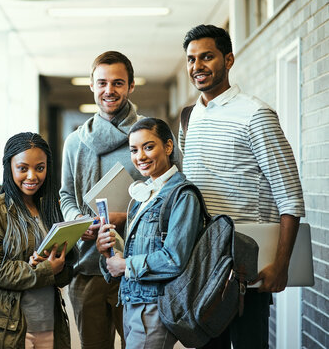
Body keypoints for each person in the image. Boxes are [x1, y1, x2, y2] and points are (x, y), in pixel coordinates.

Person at [180, 24, 305, 349]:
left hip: (247, 265)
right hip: (203, 265)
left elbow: (290, 196)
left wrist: (281, 265)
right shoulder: (189, 118)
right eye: (191, 59)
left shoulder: (256, 114)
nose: (198, 66)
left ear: (229, 59)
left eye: (207, 56)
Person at [59, 50, 146, 348]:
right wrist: (76, 221)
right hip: (87, 267)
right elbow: (66, 195)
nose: (109, 90)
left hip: (136, 265)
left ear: (131, 86)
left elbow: (166, 196)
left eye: (118, 83)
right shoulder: (74, 142)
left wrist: (128, 218)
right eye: (102, 83)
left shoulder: (148, 136)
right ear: (92, 86)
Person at [95, 117, 204, 349]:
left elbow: (173, 259)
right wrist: (108, 250)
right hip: (133, 300)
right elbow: (137, 251)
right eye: (134, 150)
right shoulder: (143, 194)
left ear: (168, 146)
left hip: (155, 305)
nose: (140, 157)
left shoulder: (182, 195)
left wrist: (124, 266)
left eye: (148, 147)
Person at [0, 132, 75, 349]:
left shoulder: (51, 209)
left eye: (40, 168)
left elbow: (65, 271)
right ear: (9, 167)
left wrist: (60, 266)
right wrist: (43, 269)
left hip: (49, 323)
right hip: (9, 327)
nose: (32, 176)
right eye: (23, 168)